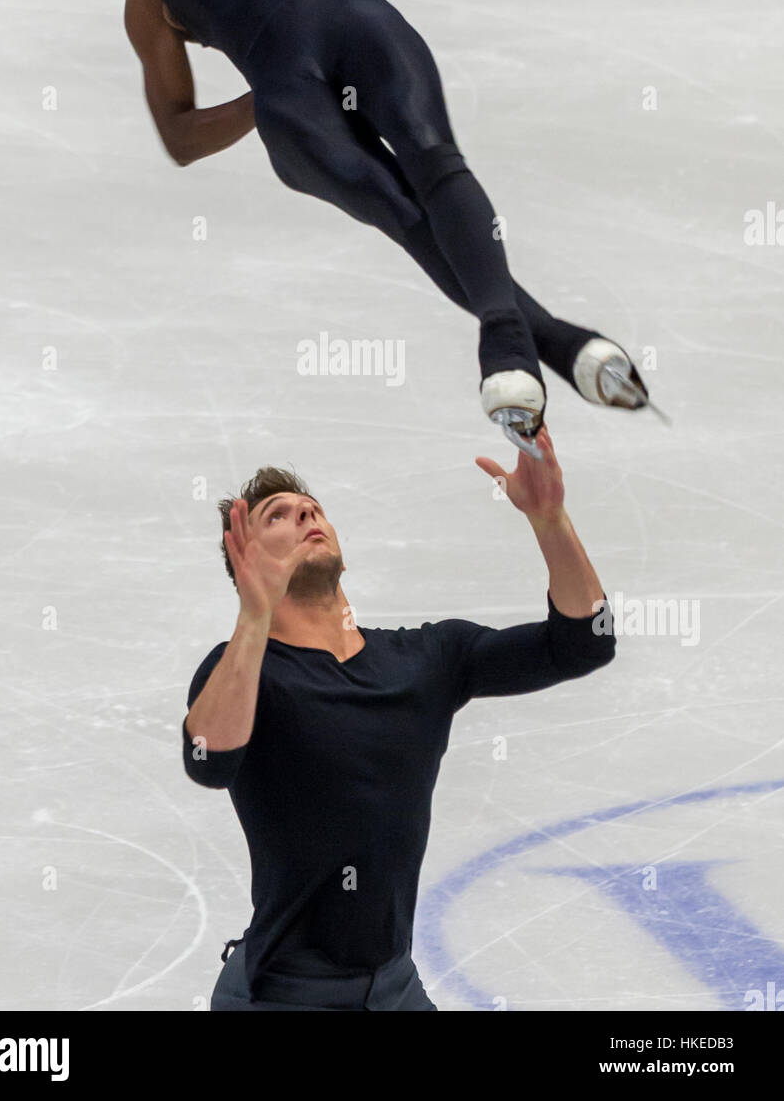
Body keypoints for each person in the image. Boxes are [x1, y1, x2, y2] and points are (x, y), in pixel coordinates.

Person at [121, 0, 662, 459]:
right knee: (400, 209)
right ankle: (550, 341)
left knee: (437, 164)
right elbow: (179, 135)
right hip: (293, 107)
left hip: (373, 42)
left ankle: (525, 342)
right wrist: (259, 98)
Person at [182, 428, 616, 1010]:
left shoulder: (425, 659)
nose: (305, 513)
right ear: (245, 559)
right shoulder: (244, 671)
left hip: (393, 987)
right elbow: (209, 759)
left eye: (312, 509)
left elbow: (586, 642)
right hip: (283, 992)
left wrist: (550, 520)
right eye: (276, 516)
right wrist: (254, 617)